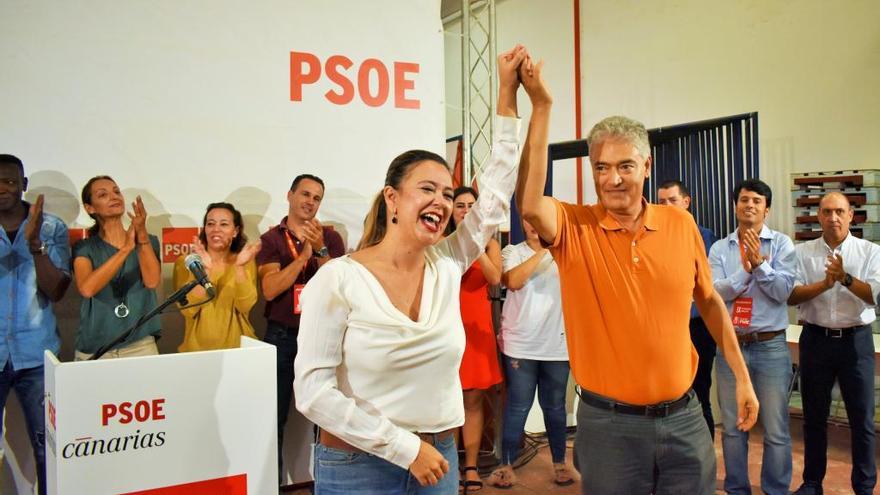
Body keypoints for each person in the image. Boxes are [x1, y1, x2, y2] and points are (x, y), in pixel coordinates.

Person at [293, 44, 529, 495]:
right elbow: (314, 393)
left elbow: (497, 187)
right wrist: (404, 450)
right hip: (355, 466)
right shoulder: (338, 278)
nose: (440, 201)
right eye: (426, 189)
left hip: (436, 463)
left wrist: (506, 94)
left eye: (446, 193)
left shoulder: (447, 264)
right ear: (392, 199)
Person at [516, 71, 759, 491]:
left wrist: (742, 377)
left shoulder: (680, 224)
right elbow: (531, 201)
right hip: (610, 428)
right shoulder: (576, 227)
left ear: (646, 166)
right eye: (602, 167)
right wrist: (541, 108)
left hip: (684, 419)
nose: (613, 179)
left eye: (625, 165)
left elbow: (710, 302)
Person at [255, 173, 345, 483]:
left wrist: (319, 250)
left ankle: (329, 485)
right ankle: (273, 486)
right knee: (274, 417)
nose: (310, 202)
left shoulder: (330, 238)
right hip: (282, 335)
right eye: (305, 194)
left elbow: (340, 287)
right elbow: (269, 289)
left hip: (324, 337)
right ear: (290, 195)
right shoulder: (271, 240)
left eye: (317, 197)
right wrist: (301, 258)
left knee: (328, 418)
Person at [708, 178, 795, 495]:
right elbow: (716, 293)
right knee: (732, 428)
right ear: (735, 206)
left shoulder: (782, 245)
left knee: (775, 428)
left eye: (757, 201)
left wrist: (760, 265)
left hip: (770, 345)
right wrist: (746, 270)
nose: (750, 205)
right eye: (744, 199)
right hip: (730, 346)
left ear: (767, 209)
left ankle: (776, 490)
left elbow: (783, 292)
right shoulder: (720, 248)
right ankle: (737, 489)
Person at [788, 192, 878, 495]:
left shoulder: (870, 252)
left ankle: (864, 487)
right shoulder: (802, 252)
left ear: (851, 215)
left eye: (839, 211)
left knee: (862, 420)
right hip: (816, 339)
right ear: (818, 217)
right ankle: (812, 482)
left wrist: (844, 279)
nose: (833, 218)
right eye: (827, 212)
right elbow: (791, 296)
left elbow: (874, 297)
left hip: (856, 343)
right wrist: (824, 284)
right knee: (813, 417)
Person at [0, 154, 71, 495]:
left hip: (37, 357)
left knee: (49, 450)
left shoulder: (51, 227)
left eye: (11, 181)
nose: (3, 189)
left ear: (24, 185)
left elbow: (56, 290)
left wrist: (35, 247)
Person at [487, 218, 574, 489]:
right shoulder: (512, 251)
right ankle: (506, 466)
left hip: (558, 345)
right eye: (530, 220)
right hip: (520, 345)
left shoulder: (569, 253)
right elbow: (512, 280)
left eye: (542, 218)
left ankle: (560, 463)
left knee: (555, 408)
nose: (536, 224)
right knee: (517, 406)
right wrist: (547, 249)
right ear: (523, 223)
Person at [447, 186, 503, 492]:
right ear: (451, 210)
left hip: (476, 331)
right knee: (446, 401)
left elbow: (495, 278)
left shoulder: (490, 244)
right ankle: (447, 467)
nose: (465, 210)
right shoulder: (442, 244)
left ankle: (470, 466)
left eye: (471, 205)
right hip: (446, 329)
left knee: (472, 401)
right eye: (460, 205)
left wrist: (476, 244)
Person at [72, 176, 162, 360]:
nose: (114, 197)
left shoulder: (148, 241)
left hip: (140, 344)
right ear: (90, 208)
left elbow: (152, 281)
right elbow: (87, 288)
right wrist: (125, 249)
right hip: (96, 347)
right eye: (103, 194)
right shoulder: (85, 248)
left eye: (116, 191)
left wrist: (141, 235)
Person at [657, 180, 718, 437]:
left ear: (686, 201)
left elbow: (707, 285)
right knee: (667, 394)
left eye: (672, 200)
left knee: (699, 391)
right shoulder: (653, 235)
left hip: (698, 326)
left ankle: (704, 456)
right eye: (661, 202)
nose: (667, 206)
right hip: (666, 327)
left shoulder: (705, 238)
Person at [173, 202, 261, 352]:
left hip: (239, 350)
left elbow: (245, 305)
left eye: (224, 224)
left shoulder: (245, 261)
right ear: (205, 229)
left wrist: (239, 267)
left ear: (235, 231)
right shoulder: (187, 262)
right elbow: (187, 309)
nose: (216, 230)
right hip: (197, 352)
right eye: (210, 224)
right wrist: (205, 270)